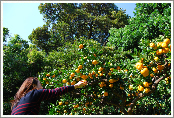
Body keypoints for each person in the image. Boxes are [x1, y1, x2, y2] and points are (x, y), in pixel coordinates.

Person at [10, 77, 87, 115]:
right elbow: (56, 92)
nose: (42, 88)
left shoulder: (17, 102)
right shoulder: (35, 93)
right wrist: (75, 86)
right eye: (40, 85)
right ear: (34, 85)